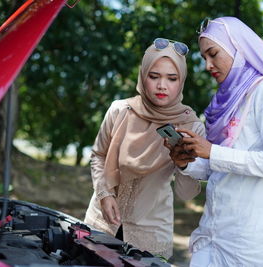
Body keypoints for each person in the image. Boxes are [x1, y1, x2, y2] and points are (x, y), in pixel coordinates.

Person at [165, 17, 263, 266]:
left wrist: (212, 152)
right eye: (204, 57)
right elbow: (220, 169)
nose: (208, 65)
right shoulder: (226, 101)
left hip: (251, 246)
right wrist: (187, 162)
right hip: (213, 236)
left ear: (239, 48)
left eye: (213, 54)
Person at [84, 38, 205, 259]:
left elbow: (186, 194)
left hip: (150, 235)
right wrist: (104, 194)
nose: (162, 85)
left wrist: (184, 163)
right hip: (101, 222)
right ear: (143, 75)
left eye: (172, 78)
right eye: (154, 76)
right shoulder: (120, 111)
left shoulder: (191, 126)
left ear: (182, 81)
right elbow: (99, 155)